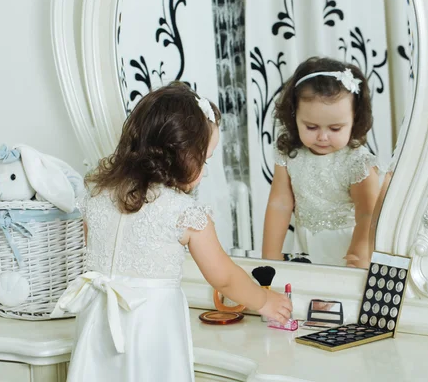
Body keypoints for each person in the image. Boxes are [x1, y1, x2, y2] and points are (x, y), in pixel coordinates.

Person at [51, 82, 292, 382]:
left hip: (97, 322)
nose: (205, 171)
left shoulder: (96, 196)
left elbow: (95, 251)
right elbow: (225, 277)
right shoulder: (184, 213)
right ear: (179, 153)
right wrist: (265, 301)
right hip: (149, 330)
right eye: (203, 160)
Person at [262, 57, 380, 268]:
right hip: (307, 248)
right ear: (294, 117)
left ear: (355, 120)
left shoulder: (358, 162)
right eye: (311, 127)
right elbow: (279, 204)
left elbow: (368, 213)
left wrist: (358, 251)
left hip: (348, 249)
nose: (323, 137)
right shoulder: (290, 155)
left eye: (335, 129)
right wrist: (270, 256)